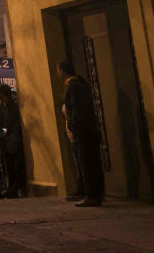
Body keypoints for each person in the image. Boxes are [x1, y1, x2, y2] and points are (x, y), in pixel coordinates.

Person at [59, 59, 104, 207]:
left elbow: (77, 109)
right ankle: (91, 192)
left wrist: (72, 123)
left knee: (87, 162)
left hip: (83, 131)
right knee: (87, 161)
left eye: (58, 69)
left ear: (63, 71)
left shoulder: (74, 86)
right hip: (84, 130)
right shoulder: (77, 84)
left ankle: (93, 195)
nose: (58, 72)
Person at [0, 84, 24, 197]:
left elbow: (16, 122)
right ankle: (11, 187)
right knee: (8, 165)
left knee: (17, 164)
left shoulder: (15, 106)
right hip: (4, 139)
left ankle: (16, 187)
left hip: (13, 139)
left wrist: (10, 133)